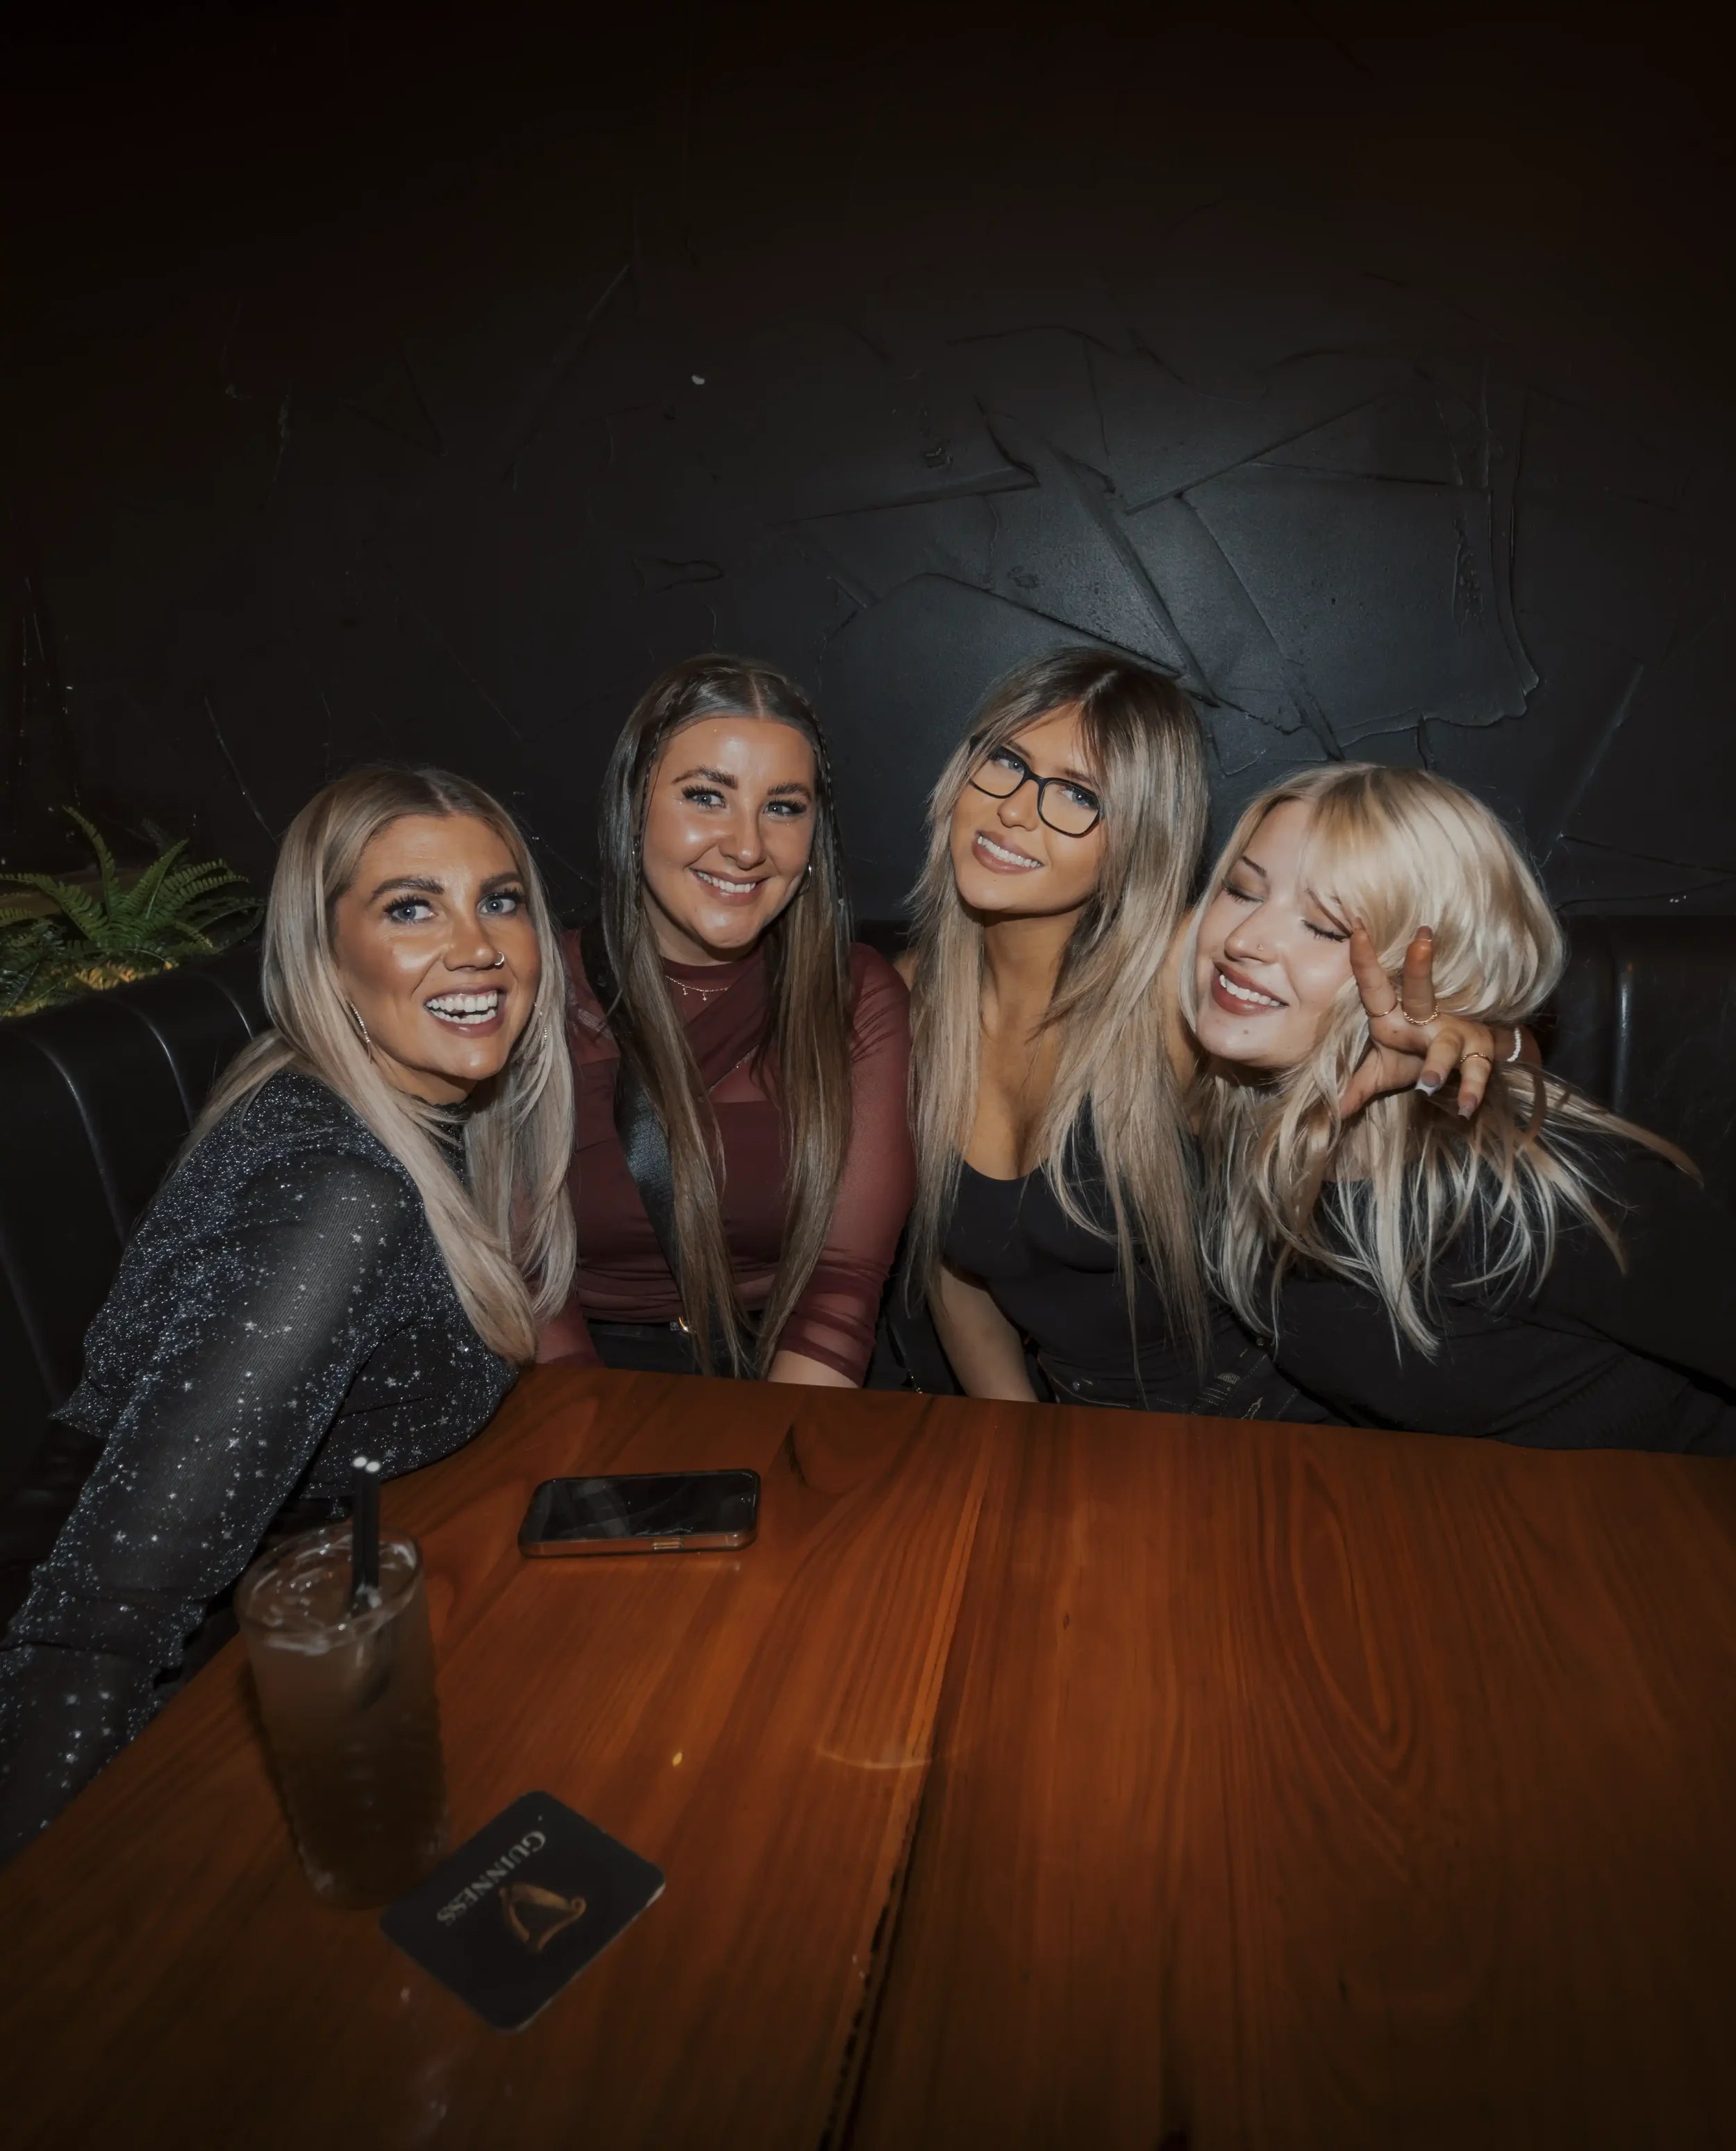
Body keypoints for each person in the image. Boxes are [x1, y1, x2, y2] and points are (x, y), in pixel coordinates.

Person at [0, 765, 576, 1865]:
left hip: (313, 1637)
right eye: (412, 907)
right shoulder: (335, 1191)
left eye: (501, 899)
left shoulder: (415, 1110)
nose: (480, 945)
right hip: (168, 1700)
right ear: (325, 956)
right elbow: (99, 1623)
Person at [902, 648, 1509, 1412]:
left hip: (1266, 1420)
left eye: (1079, 795)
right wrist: (1017, 1440)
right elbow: (953, 1274)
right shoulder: (905, 1001)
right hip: (1080, 1432)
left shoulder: (1186, 975)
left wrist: (1501, 1046)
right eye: (1004, 762)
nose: (1016, 810)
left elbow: (1411, 1029)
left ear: (1139, 836)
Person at [1186, 763, 1736, 1452]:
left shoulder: (1523, 1192)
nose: (1244, 940)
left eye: (1324, 928)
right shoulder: (1234, 1121)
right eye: (1241, 890)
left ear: (1434, 973)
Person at [537, 654, 912, 1384]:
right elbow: (521, 1279)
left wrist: (783, 1463)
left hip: (785, 1373)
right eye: (707, 796)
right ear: (634, 801)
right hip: (575, 1383)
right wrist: (586, 1466)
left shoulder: (854, 993)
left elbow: (843, 1283)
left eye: (783, 806)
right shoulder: (537, 988)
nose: (747, 846)